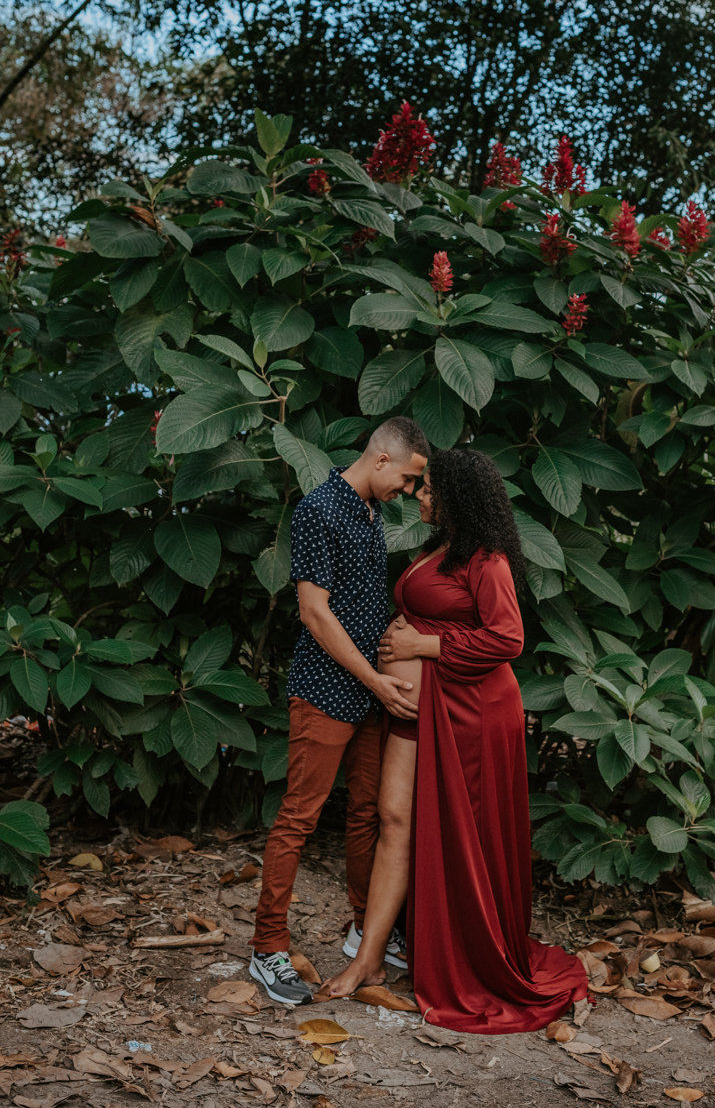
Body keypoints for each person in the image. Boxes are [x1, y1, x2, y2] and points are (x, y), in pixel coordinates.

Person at [324, 448, 587, 1032]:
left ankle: (468, 957)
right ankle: (369, 959)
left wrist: (423, 647)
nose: (418, 496)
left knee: (462, 836)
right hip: (417, 708)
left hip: (470, 712)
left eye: (428, 491)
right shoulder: (433, 550)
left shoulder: (487, 561)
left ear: (456, 498)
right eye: (418, 489)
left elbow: (508, 639)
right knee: (394, 818)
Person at [248, 416, 430, 1005]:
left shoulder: (371, 511)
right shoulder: (319, 510)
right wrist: (377, 680)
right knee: (299, 817)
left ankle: (364, 932)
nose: (408, 492)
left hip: (373, 697)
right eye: (405, 479)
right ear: (381, 459)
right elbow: (316, 614)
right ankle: (267, 947)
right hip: (327, 692)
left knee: (369, 815)